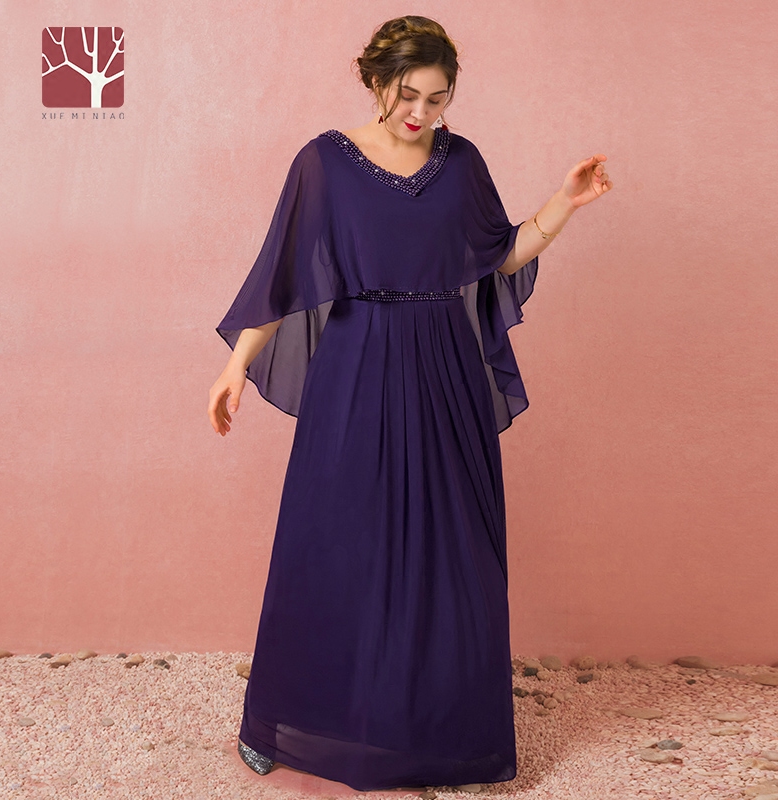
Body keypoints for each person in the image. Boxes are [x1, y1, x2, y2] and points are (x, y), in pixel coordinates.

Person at [208, 14, 612, 793]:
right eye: (406, 97)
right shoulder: (324, 162)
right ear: (374, 82)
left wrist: (564, 203)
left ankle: (445, 737)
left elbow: (501, 253)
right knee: (331, 544)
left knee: (456, 550)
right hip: (356, 366)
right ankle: (286, 725)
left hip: (445, 370)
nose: (421, 113)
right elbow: (281, 275)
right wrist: (235, 366)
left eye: (438, 97)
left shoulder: (462, 164)